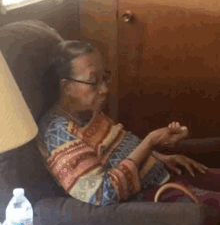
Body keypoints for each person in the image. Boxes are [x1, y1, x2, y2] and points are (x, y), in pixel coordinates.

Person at [37, 40, 220, 210]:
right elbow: (102, 193)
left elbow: (118, 150)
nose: (104, 89)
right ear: (66, 87)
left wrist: (160, 157)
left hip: (168, 174)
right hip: (156, 197)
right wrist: (149, 143)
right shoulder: (58, 134)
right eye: (93, 81)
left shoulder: (86, 110)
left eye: (104, 77)